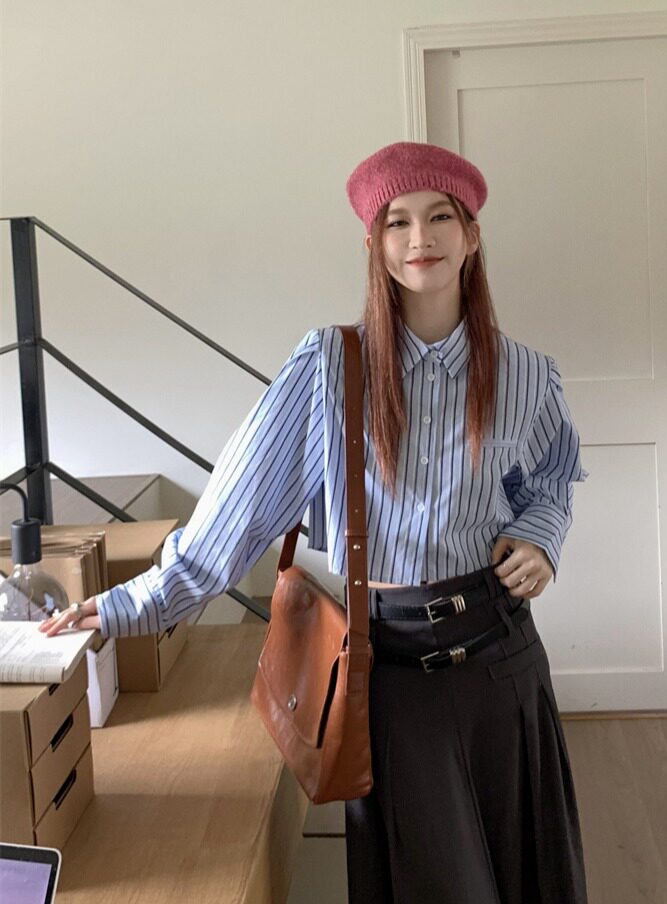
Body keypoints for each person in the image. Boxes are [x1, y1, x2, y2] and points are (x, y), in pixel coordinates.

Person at [41, 141, 590, 903]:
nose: (420, 237)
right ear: (375, 245)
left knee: (529, 876)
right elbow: (235, 517)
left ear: (472, 235)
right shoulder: (330, 367)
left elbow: (552, 478)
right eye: (397, 222)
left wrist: (542, 539)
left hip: (504, 660)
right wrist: (134, 604)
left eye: (440, 217)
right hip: (392, 669)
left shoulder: (527, 373)